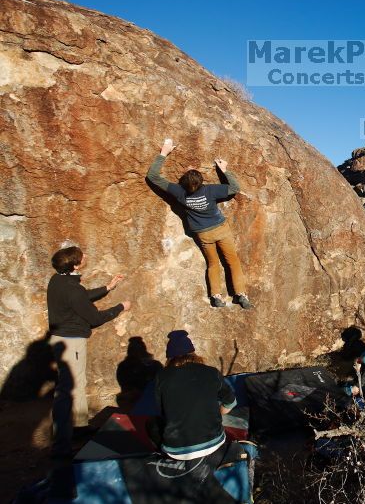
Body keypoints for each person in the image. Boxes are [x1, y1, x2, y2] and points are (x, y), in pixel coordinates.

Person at [146, 138, 252, 309]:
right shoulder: (210, 190)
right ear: (201, 182)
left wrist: (163, 153)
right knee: (233, 261)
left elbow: (153, 176)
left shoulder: (179, 192)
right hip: (221, 229)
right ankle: (241, 295)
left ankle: (216, 296)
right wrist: (224, 170)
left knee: (213, 263)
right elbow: (234, 188)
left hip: (203, 233)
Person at [47, 246, 130, 456]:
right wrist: (120, 307)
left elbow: (80, 298)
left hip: (61, 339)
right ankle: (63, 442)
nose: (86, 257)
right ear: (75, 264)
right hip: (71, 341)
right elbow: (94, 318)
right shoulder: (72, 289)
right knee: (70, 390)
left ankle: (79, 427)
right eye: (82, 257)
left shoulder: (57, 280)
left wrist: (108, 287)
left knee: (75, 384)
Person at [152, 330, 237, 460]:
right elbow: (231, 402)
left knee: (151, 424)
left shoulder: (161, 378)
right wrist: (216, 413)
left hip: (177, 451)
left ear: (169, 357)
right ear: (193, 353)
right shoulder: (211, 372)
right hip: (215, 443)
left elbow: (161, 412)